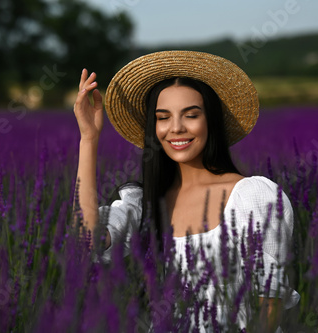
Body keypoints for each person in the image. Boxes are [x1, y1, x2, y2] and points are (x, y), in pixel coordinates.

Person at [72, 50, 300, 332]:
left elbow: (270, 304)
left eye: (191, 115)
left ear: (211, 121)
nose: (176, 128)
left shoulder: (252, 196)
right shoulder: (146, 202)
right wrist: (88, 138)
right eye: (163, 117)